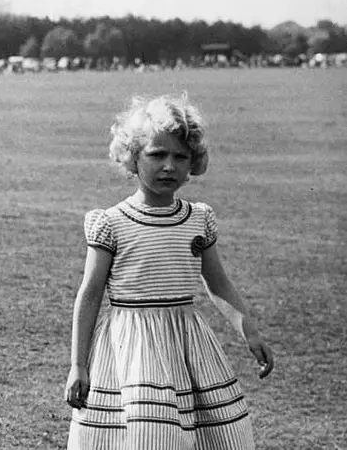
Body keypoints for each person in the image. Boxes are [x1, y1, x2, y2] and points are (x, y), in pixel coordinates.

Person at [64, 94, 274, 449]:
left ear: (193, 163)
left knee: (204, 435)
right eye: (157, 154)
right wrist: (78, 366)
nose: (169, 166)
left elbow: (218, 283)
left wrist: (248, 331)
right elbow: (89, 295)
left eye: (180, 157)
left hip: (188, 344)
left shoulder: (198, 218)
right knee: (147, 435)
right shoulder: (111, 223)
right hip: (131, 348)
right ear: (133, 157)